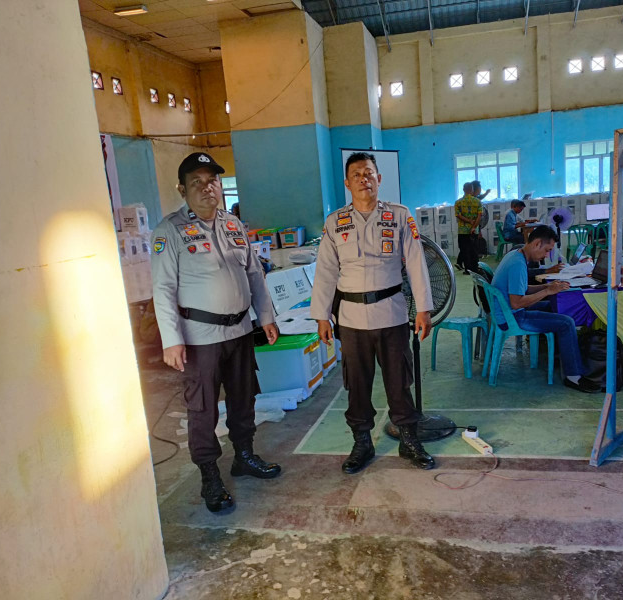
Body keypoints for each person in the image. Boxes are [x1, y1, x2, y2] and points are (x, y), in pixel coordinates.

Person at [151, 152, 281, 514]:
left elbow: (255, 275)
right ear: (182, 189)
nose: (208, 188)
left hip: (240, 331)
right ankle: (209, 474)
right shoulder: (169, 231)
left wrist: (266, 317)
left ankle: (244, 455)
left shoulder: (234, 225)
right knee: (203, 409)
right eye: (197, 182)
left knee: (244, 398)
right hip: (199, 338)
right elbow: (162, 289)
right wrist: (171, 339)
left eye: (213, 181)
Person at [311, 152, 436, 474]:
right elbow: (325, 271)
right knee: (357, 383)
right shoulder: (334, 222)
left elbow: (416, 263)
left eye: (369, 173)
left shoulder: (399, 216)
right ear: (347, 183)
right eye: (357, 175)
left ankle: (409, 440)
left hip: (392, 313)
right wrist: (322, 315)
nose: (363, 179)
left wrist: (423, 308)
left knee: (399, 380)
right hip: (351, 319)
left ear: (379, 179)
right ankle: (362, 443)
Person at [491, 225, 600, 393]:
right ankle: (574, 376)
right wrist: (547, 290)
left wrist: (549, 290)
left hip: (507, 312)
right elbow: (517, 302)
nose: (547, 255)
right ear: (537, 244)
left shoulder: (515, 255)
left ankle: (564, 353)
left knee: (554, 306)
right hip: (512, 317)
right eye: (547, 250)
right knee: (566, 322)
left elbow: (523, 289)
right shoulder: (517, 264)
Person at [455, 182, 483, 274]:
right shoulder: (478, 202)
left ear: (463, 189)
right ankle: (475, 269)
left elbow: (458, 215)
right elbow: (479, 216)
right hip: (474, 231)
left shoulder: (458, 202)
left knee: (464, 250)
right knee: (474, 250)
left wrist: (468, 221)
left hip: (462, 231)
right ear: (472, 190)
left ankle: (468, 270)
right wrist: (474, 226)